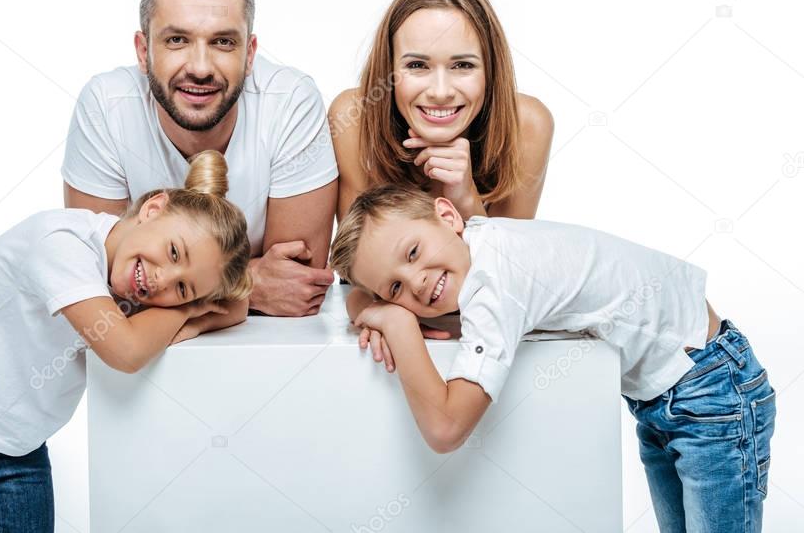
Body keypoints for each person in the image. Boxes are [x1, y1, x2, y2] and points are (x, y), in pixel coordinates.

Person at [329, 184, 776, 533]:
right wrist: (369, 307)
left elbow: (446, 428)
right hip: (670, 398)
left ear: (448, 216)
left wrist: (399, 324)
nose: (417, 282)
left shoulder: (493, 283)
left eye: (412, 253)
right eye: (395, 288)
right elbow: (355, 296)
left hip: (712, 394)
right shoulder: (483, 246)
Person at [0, 151, 251, 532]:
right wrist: (188, 310)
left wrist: (191, 307)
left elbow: (237, 306)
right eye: (174, 252)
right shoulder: (63, 243)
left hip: (19, 446)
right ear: (153, 208)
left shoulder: (135, 284)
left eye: (182, 288)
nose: (161, 280)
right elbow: (126, 351)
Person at [63, 0, 338, 320]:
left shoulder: (290, 101)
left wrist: (173, 290)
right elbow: (99, 283)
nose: (201, 68)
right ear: (144, 52)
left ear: (250, 54)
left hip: (260, 346)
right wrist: (251, 284)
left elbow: (297, 286)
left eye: (223, 43)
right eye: (177, 40)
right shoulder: (106, 105)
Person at [328, 0, 554, 358]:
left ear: (490, 71)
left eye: (462, 66)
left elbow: (511, 277)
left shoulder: (527, 125)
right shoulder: (354, 117)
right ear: (390, 72)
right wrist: (375, 313)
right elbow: (355, 274)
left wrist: (465, 196)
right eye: (417, 65)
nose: (440, 90)